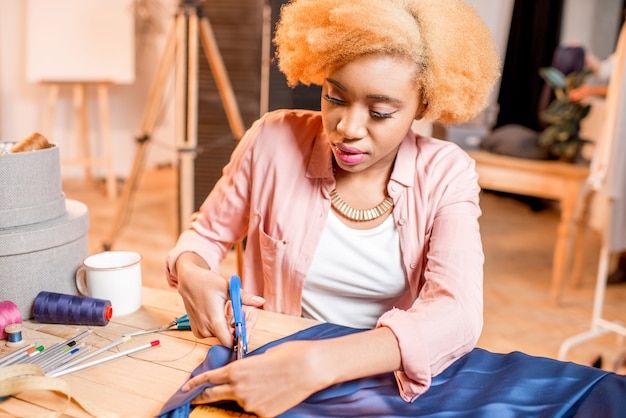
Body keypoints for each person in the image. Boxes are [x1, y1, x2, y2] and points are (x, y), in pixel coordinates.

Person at [164, 0, 500, 415]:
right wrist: (191, 271)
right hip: (273, 367)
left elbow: (458, 313)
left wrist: (318, 364)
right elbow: (205, 235)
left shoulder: (447, 172)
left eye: (381, 113)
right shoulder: (272, 139)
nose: (348, 129)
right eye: (334, 97)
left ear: (423, 106)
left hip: (380, 385)